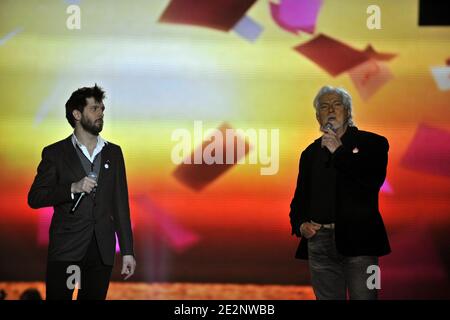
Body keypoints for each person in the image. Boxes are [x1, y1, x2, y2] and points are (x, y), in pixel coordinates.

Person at [28, 84, 136, 300]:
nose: (101, 114)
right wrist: (71, 188)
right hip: (67, 250)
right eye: (94, 109)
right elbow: (35, 197)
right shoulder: (55, 153)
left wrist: (127, 251)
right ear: (77, 114)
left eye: (102, 109)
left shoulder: (113, 153)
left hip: (101, 251)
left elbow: (120, 205)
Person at [289, 86, 391, 300]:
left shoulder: (374, 143)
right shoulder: (309, 153)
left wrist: (339, 151)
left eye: (337, 105)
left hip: (362, 243)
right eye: (324, 107)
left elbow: (372, 181)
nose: (331, 110)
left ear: (348, 111)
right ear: (318, 117)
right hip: (319, 243)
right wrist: (300, 224)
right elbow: (299, 200)